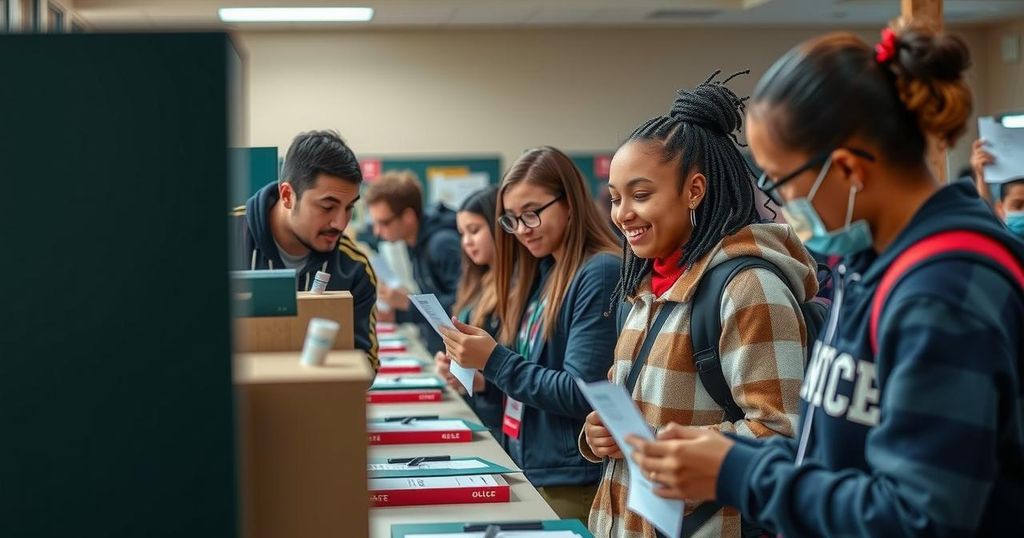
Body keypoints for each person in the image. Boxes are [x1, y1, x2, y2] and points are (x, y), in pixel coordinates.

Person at [627, 23, 1024, 536]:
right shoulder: (870, 266)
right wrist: (731, 451)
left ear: (848, 170)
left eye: (782, 181)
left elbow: (921, 519)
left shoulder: (943, 290)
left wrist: (741, 472)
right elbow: (836, 446)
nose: (782, 204)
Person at [582, 73, 817, 537]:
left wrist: (685, 453)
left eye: (641, 195)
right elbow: (640, 412)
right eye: (615, 198)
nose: (623, 213)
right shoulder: (643, 289)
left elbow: (784, 435)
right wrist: (598, 433)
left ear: (694, 190)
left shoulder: (749, 287)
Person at [438, 147, 621, 521]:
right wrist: (480, 371)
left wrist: (493, 360)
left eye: (532, 213)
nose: (522, 230)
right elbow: (534, 368)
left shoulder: (599, 271)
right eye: (512, 219)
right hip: (534, 463)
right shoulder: (545, 271)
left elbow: (582, 391)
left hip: (572, 477)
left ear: (569, 203)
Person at [231, 130, 379, 372]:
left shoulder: (354, 268)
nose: (341, 224)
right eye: (327, 207)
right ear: (288, 195)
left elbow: (367, 365)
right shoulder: (223, 241)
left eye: (349, 208)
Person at [434, 186, 505, 438]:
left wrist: (482, 383)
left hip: (501, 424)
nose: (467, 242)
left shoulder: (516, 289)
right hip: (477, 412)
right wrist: (451, 362)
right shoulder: (474, 281)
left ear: (499, 229)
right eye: (462, 233)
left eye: (474, 231)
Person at [365, 170, 462, 353]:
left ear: (408, 217)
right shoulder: (414, 243)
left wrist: (409, 303)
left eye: (384, 223)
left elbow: (465, 307)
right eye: (375, 223)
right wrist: (397, 314)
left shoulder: (441, 244)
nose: (377, 232)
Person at [970, 138, 1024, 237]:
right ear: (1000, 208)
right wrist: (981, 175)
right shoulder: (999, 242)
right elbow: (984, 212)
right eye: (1017, 205)